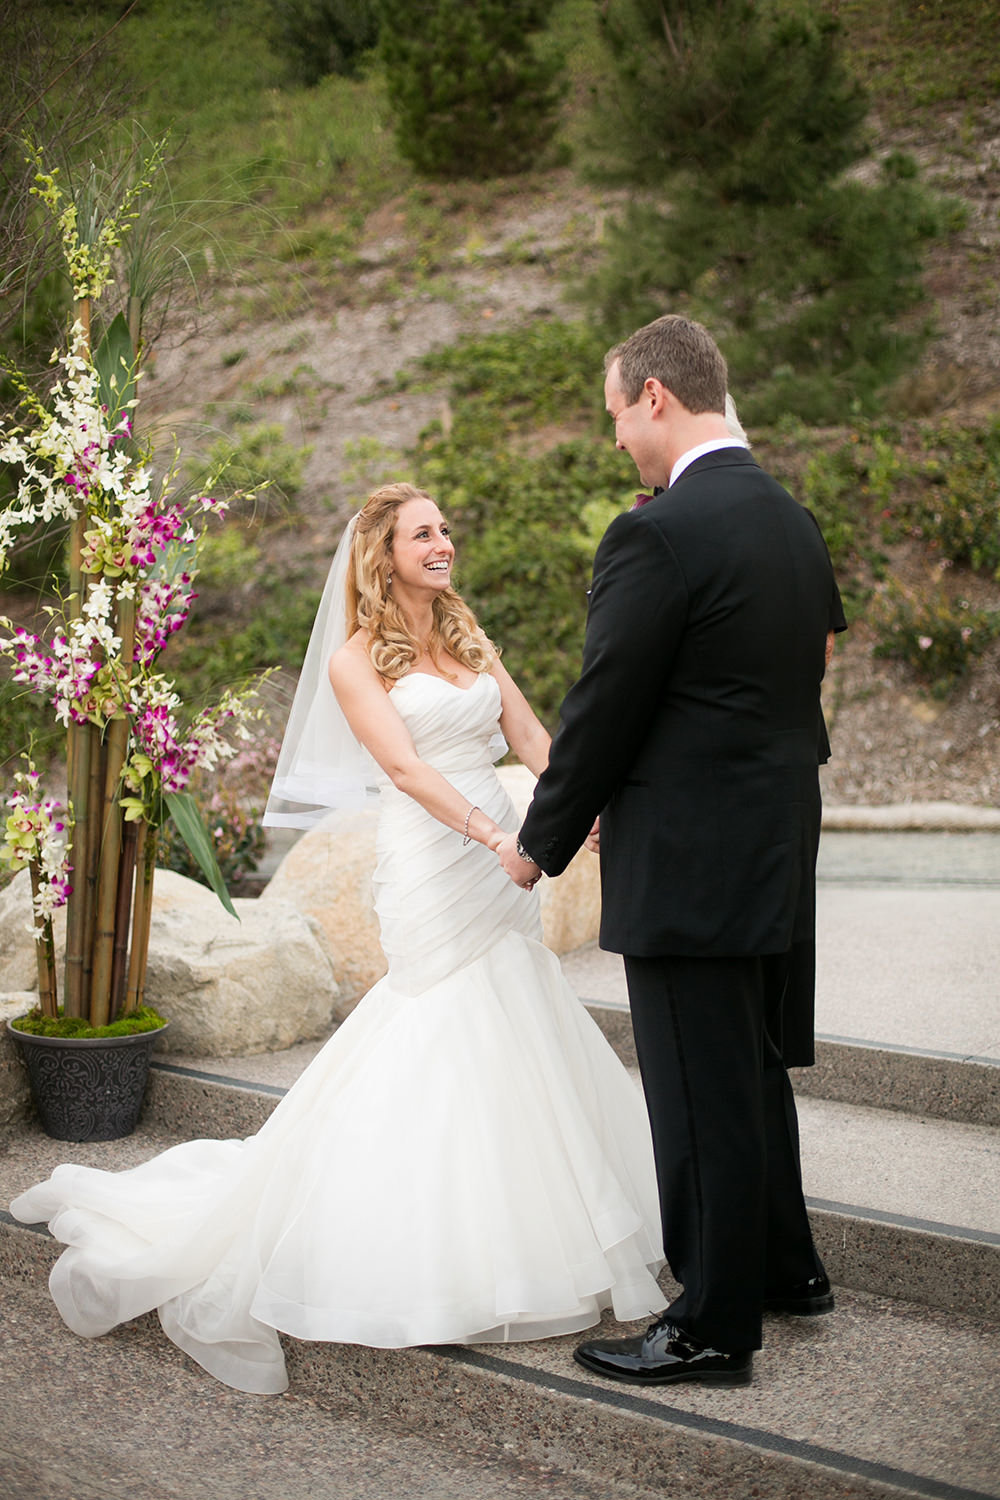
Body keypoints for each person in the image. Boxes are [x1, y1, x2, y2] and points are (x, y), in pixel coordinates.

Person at [10, 482, 667, 1395]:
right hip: (437, 859)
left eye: (446, 527)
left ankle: (522, 1226)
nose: (444, 542)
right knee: (440, 1017)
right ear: (382, 554)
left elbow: (527, 732)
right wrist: (495, 836)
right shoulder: (358, 661)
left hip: (506, 856)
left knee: (514, 1000)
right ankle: (420, 1248)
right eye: (423, 533)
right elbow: (400, 766)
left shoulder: (467, 633)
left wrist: (572, 805)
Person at [497, 315, 846, 1388]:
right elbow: (812, 662)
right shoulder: (789, 520)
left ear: (655, 395)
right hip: (775, 841)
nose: (615, 443)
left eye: (615, 415)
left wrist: (538, 842)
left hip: (691, 855)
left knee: (697, 1088)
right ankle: (787, 1271)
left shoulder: (656, 532)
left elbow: (606, 704)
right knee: (749, 1068)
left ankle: (709, 1323)